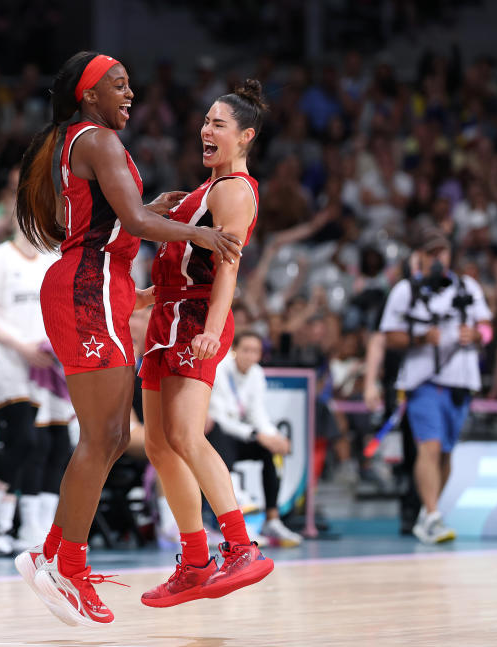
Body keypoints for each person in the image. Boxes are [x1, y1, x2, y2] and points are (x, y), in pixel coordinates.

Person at [13, 51, 241, 626]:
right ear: (89, 95)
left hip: (99, 283)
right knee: (104, 437)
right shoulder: (96, 139)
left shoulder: (78, 140)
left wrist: (151, 212)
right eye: (118, 85)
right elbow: (136, 226)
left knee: (111, 436)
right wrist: (201, 235)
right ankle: (65, 566)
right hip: (89, 284)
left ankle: (53, 554)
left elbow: (123, 217)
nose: (130, 93)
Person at [137, 81, 275, 608]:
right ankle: (195, 561)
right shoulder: (205, 187)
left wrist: (213, 328)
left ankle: (241, 545)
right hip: (168, 314)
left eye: (219, 124)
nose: (206, 130)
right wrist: (154, 294)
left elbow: (227, 269)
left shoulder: (234, 189)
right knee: (158, 444)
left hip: (195, 318)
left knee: (187, 435)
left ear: (245, 137)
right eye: (205, 121)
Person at [377, 228, 493, 544]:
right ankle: (431, 514)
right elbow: (388, 335)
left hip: (460, 381)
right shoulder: (405, 290)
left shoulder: (467, 286)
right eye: (431, 252)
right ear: (419, 256)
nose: (438, 258)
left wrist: (479, 336)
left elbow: (487, 327)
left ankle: (429, 515)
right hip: (423, 381)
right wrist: (421, 337)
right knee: (428, 447)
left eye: (442, 251)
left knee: (445, 453)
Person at [0, 224, 58, 555]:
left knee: (28, 444)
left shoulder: (50, 260)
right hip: (5, 358)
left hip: (39, 364)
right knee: (24, 439)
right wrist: (21, 346)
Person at [207, 331, 303, 547]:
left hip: (241, 433)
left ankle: (272, 519)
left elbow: (257, 413)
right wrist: (257, 435)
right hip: (219, 435)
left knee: (271, 450)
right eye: (246, 350)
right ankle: (226, 522)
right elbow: (220, 418)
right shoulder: (220, 369)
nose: (251, 356)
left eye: (256, 351)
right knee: (220, 437)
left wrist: (273, 437)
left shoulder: (256, 374)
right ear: (234, 351)